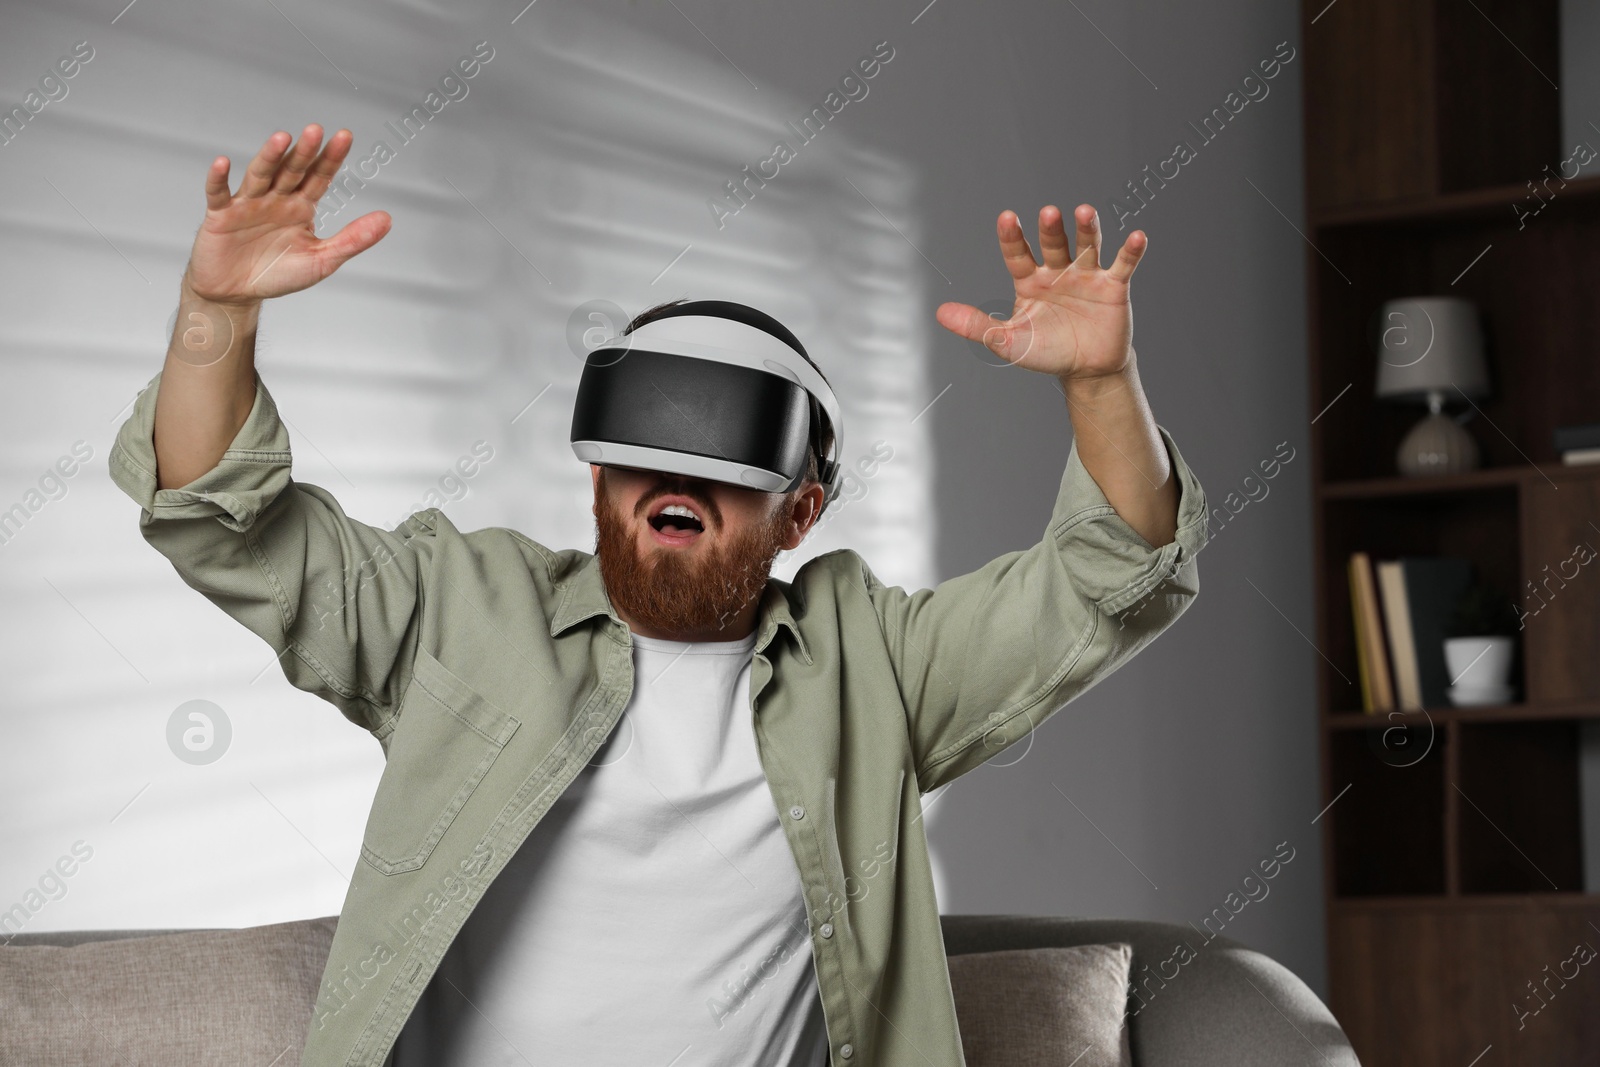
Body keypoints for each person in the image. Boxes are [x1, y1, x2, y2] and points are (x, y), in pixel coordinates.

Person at [110, 123, 1208, 1067]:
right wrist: (214, 312)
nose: (676, 478)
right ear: (597, 472)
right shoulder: (456, 607)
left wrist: (1102, 385)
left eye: (724, 458)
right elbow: (220, 515)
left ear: (802, 511)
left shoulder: (873, 661)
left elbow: (1112, 574)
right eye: (643, 449)